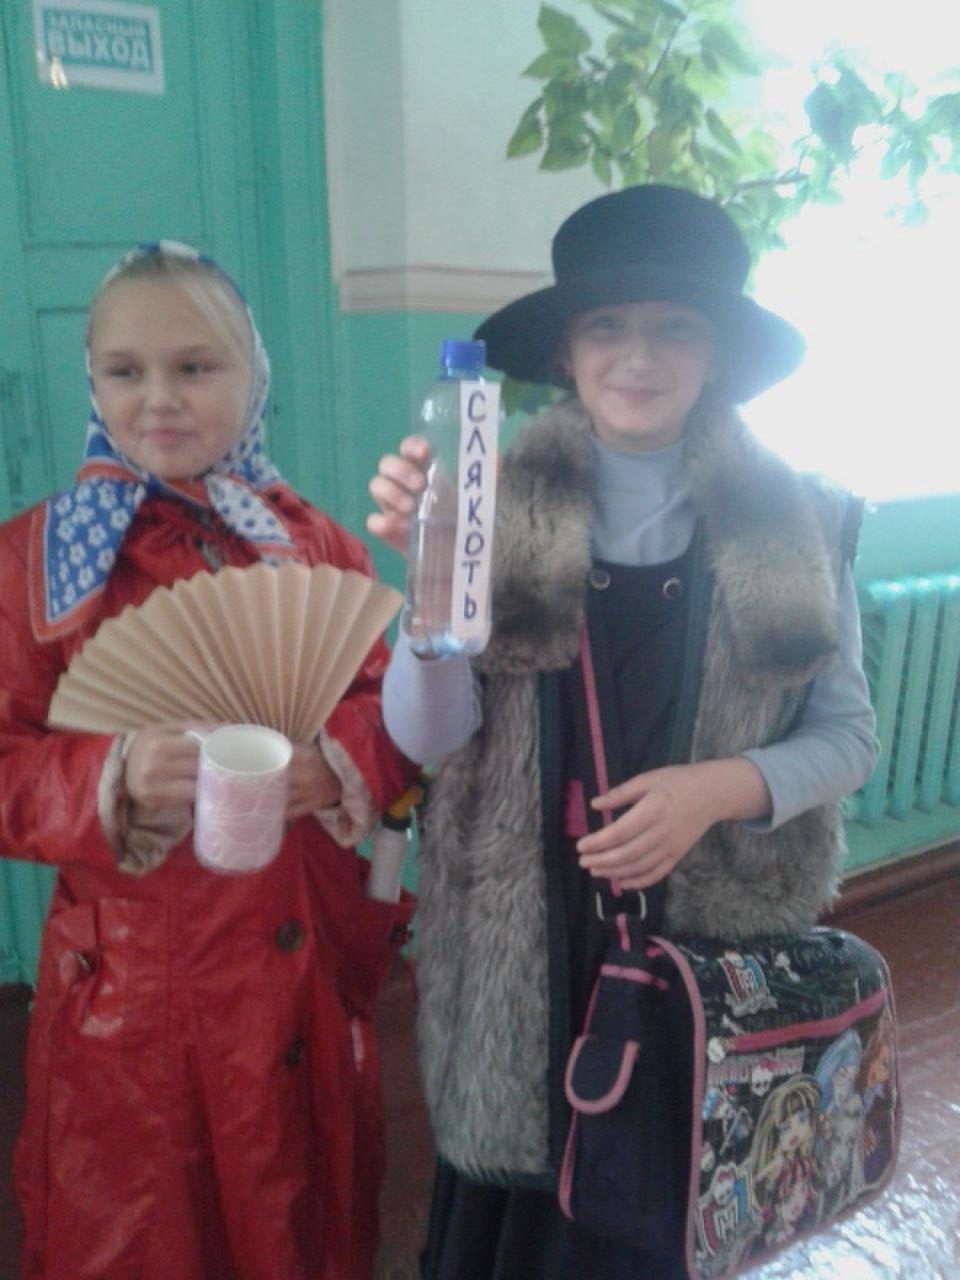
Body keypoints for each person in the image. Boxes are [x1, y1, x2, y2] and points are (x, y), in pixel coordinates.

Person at [366, 184, 879, 1279]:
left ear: (716, 354)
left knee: (656, 1219)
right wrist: (432, 598)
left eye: (674, 328)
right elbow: (427, 736)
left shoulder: (798, 521)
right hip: (527, 947)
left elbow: (847, 738)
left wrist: (716, 789)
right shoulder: (486, 509)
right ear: (567, 346)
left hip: (701, 958)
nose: (637, 357)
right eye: (608, 325)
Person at [0, 242, 415, 1280]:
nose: (159, 398)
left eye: (195, 366)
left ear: (252, 376)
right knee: (153, 1234)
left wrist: (339, 759)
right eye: (125, 370)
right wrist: (107, 777)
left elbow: (389, 706)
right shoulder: (33, 562)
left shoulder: (318, 546)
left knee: (300, 1218)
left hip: (301, 960)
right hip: (134, 999)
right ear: (91, 382)